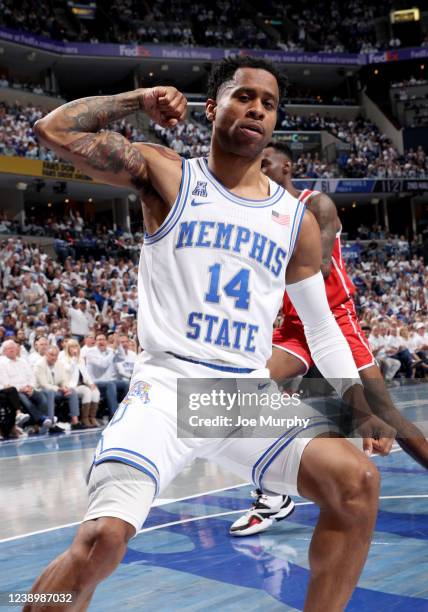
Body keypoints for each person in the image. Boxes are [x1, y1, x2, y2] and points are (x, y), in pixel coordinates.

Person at [27, 57, 393, 611]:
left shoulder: (297, 221)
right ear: (212, 107)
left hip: (241, 396)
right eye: (243, 96)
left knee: (357, 484)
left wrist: (359, 406)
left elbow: (321, 325)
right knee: (101, 539)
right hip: (168, 388)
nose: (257, 109)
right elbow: (54, 130)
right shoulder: (169, 172)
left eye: (269, 104)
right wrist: (138, 100)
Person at [230, 141, 428, 536]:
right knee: (245, 391)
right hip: (292, 329)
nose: (259, 167)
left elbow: (317, 267)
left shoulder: (316, 205)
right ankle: (273, 494)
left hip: (333, 319)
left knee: (385, 414)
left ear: (287, 167)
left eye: (266, 162)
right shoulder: (260, 214)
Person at [0, 340, 52, 435]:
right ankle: (42, 419)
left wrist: (30, 386)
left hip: (28, 388)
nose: (12, 350)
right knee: (25, 400)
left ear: (17, 349)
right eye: (9, 349)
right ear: (4, 351)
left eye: (13, 348)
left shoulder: (23, 360)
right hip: (16, 391)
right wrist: (21, 388)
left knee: (41, 397)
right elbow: (6, 383)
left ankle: (41, 423)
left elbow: (31, 376)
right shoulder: (2, 363)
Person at [60, 339, 101, 428]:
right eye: (72, 347)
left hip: (82, 384)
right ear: (68, 349)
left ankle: (92, 417)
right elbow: (69, 370)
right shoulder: (64, 360)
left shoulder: (80, 360)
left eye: (76, 346)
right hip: (71, 386)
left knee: (96, 392)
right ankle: (84, 418)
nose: (74, 349)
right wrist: (74, 358)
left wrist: (91, 383)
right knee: (87, 391)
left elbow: (86, 374)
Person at [85, 333, 128, 417]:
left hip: (109, 382)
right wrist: (113, 350)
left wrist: (118, 345)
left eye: (103, 339)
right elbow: (103, 364)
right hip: (95, 382)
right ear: (95, 342)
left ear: (106, 341)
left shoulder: (108, 351)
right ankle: (114, 415)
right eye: (99, 340)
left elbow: (122, 358)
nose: (101, 342)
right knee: (110, 384)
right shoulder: (90, 352)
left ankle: (126, 411)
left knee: (126, 383)